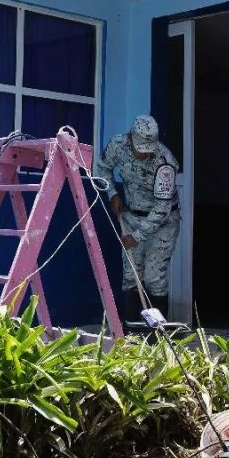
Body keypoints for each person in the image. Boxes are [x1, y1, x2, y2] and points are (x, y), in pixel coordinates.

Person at [94, 115, 180, 329]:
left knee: (153, 278)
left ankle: (158, 334)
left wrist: (137, 237)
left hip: (163, 223)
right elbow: (102, 168)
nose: (144, 153)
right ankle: (132, 330)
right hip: (131, 216)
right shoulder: (117, 145)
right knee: (131, 276)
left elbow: (162, 209)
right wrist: (112, 193)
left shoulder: (165, 163)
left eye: (147, 148)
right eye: (139, 147)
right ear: (131, 138)